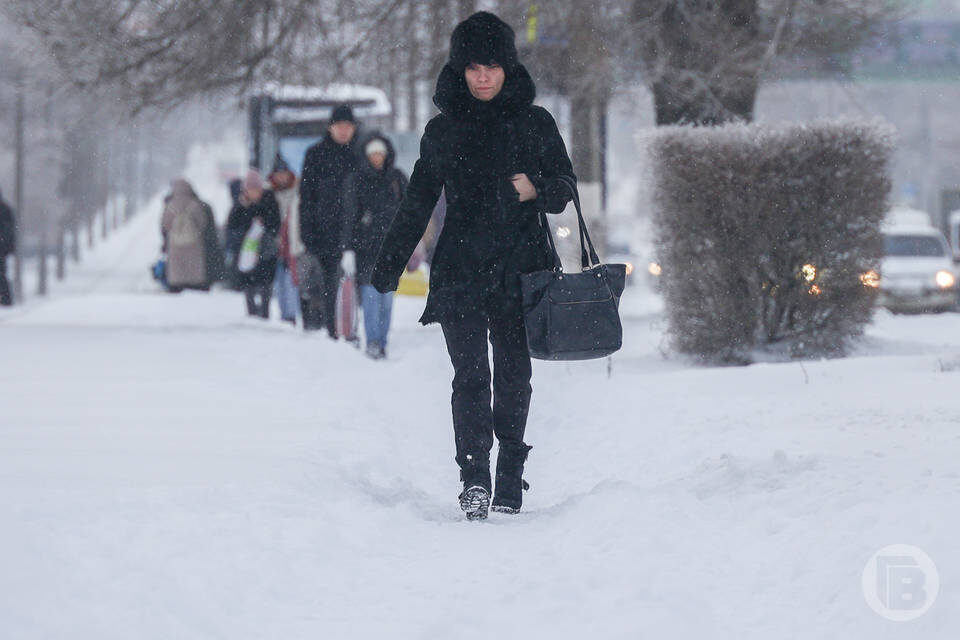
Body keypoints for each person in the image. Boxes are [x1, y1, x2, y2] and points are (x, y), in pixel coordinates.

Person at [371, 11, 575, 520]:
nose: (482, 77)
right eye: (472, 68)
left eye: (492, 67)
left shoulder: (535, 123)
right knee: (469, 373)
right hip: (461, 265)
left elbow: (566, 187)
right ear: (460, 70)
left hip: (521, 265)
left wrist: (537, 187)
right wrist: (389, 265)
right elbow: (418, 200)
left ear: (507, 68)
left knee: (512, 372)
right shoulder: (444, 131)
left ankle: (509, 470)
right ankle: (475, 476)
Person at [342, 134, 409, 359]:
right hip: (365, 250)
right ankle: (372, 341)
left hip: (391, 251)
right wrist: (348, 248)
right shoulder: (357, 180)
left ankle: (382, 341)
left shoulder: (397, 178)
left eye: (380, 153)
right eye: (373, 153)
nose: (377, 158)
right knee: (371, 299)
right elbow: (349, 216)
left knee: (387, 301)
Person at [299, 104, 360, 336]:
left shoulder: (359, 154)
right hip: (324, 232)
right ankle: (331, 329)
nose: (343, 131)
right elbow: (306, 199)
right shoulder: (315, 154)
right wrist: (307, 233)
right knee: (327, 284)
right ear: (330, 127)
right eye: (339, 126)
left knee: (355, 283)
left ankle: (351, 326)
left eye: (348, 126)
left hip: (355, 232)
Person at [228, 169, 281, 318]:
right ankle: (251, 310)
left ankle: (265, 310)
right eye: (250, 189)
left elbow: (275, 223)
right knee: (248, 280)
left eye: (256, 189)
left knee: (265, 281)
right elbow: (233, 226)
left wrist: (264, 225)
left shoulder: (270, 201)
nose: (254, 193)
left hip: (266, 250)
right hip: (247, 251)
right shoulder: (239, 205)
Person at [161, 179, 212, 292]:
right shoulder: (195, 204)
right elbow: (203, 223)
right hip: (194, 243)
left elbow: (165, 225)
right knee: (193, 267)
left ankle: (177, 285)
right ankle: (194, 284)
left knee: (177, 268)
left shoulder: (170, 205)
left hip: (175, 244)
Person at [269, 155, 302, 325]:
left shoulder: (297, 191)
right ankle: (284, 313)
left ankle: (291, 314)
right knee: (280, 281)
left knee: (292, 279)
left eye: (284, 173)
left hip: (293, 241)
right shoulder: (269, 194)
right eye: (278, 174)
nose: (281, 177)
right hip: (276, 244)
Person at [0, 189, 15, 306]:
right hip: (3, 248)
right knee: (2, 273)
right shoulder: (6, 209)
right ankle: (6, 300)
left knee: (1, 274)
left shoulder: (5, 209)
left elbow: (9, 231)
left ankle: (6, 300)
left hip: (2, 248)